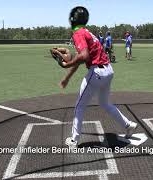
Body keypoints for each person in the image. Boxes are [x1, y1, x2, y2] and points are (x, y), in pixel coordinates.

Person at [59, 6, 138, 148]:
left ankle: (74, 140)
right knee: (105, 103)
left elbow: (84, 56)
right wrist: (67, 76)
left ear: (72, 19)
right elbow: (81, 57)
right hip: (108, 71)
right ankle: (128, 125)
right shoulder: (88, 33)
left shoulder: (78, 33)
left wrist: (67, 64)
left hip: (97, 73)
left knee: (79, 106)